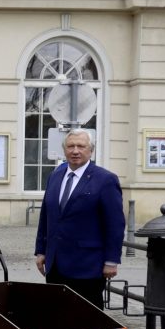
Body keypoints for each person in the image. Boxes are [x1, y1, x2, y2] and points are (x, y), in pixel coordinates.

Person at [34, 128, 125, 309]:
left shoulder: (105, 179)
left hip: (87, 266)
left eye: (81, 146)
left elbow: (115, 224)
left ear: (90, 150)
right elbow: (46, 216)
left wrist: (111, 261)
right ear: (64, 149)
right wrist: (41, 250)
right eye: (71, 146)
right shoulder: (55, 176)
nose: (75, 151)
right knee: (58, 316)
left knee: (85, 319)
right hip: (56, 264)